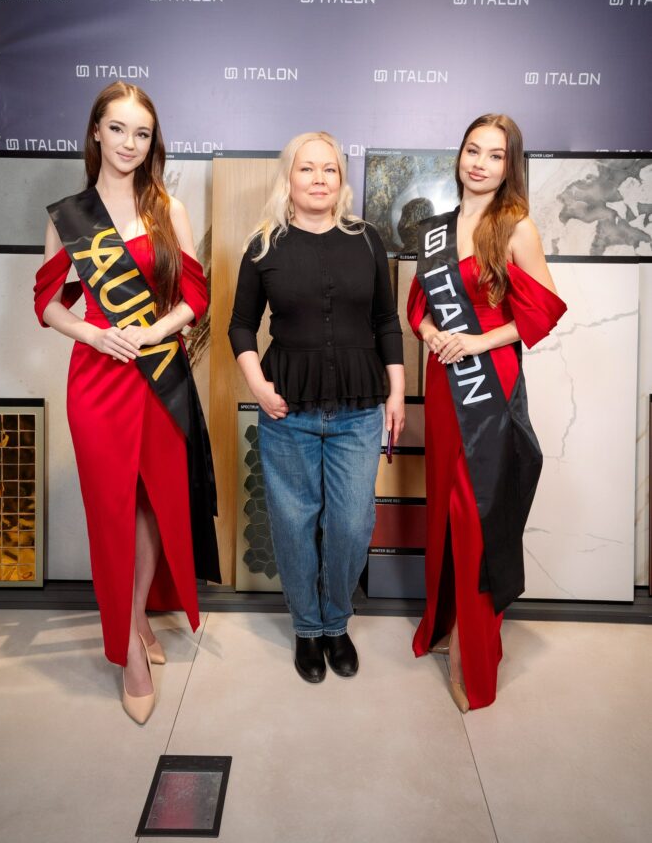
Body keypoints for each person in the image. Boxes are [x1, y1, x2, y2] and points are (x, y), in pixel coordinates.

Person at [34, 82, 220, 724]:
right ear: (96, 132)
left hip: (159, 372)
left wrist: (154, 331)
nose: (128, 143)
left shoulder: (168, 208)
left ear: (152, 142)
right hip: (97, 380)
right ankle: (129, 652)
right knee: (110, 510)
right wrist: (93, 333)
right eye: (117, 129)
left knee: (153, 504)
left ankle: (138, 615)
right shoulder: (68, 215)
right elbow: (48, 304)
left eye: (141, 134)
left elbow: (195, 297)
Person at [229, 131, 405, 683]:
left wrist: (397, 391)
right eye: (307, 168)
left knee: (351, 524)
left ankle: (336, 621)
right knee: (294, 524)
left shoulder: (366, 239)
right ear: (290, 177)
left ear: (341, 179)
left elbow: (386, 321)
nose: (319, 178)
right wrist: (258, 386)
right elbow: (240, 326)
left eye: (329, 169)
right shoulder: (263, 245)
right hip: (288, 412)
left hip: (359, 410)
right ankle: (309, 629)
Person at [407, 114, 566, 711]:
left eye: (495, 155)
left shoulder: (515, 225)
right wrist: (428, 330)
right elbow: (420, 305)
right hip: (442, 381)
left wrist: (475, 342)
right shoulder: (436, 229)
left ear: (509, 166)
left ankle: (472, 652)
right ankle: (444, 622)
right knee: (443, 509)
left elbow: (543, 311)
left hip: (487, 387)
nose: (479, 163)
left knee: (477, 516)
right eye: (473, 150)